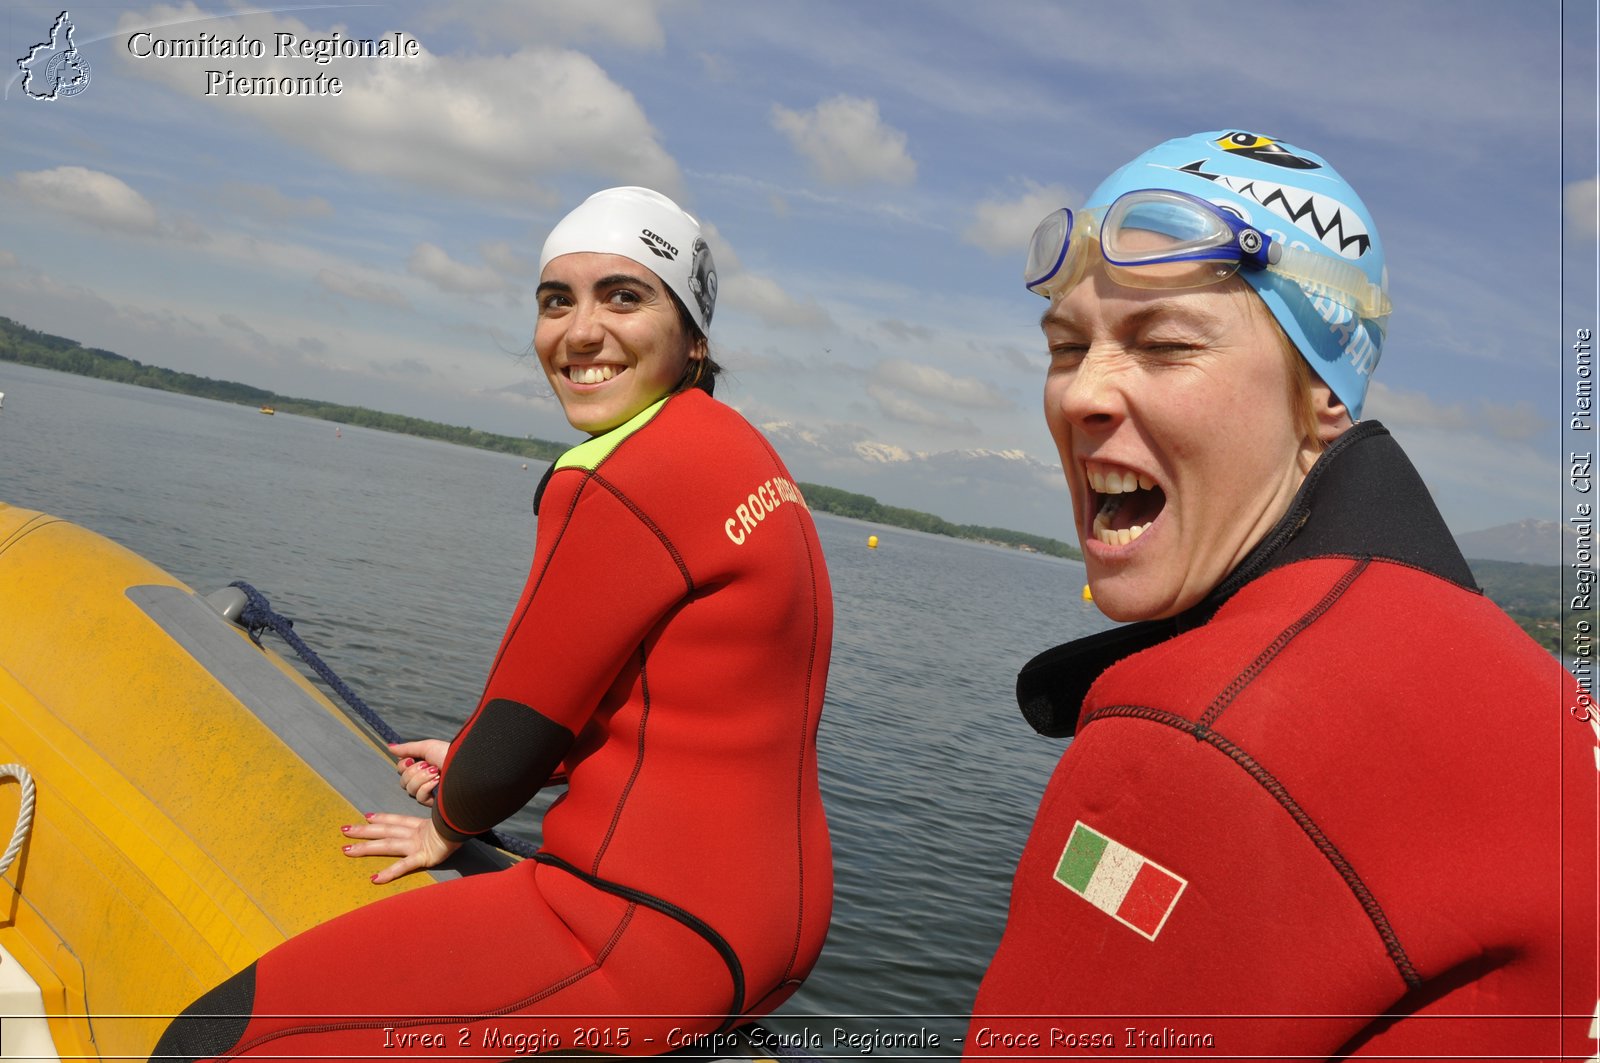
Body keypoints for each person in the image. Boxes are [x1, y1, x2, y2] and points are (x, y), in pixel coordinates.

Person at [152, 187, 835, 1060]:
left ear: (693, 335)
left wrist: (450, 817)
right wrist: (477, 749)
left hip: (640, 927)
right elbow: (674, 696)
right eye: (558, 300)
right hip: (774, 921)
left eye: (623, 296)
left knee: (212, 1035)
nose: (580, 331)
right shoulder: (741, 452)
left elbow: (520, 725)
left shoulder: (620, 475)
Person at [964, 131, 1598, 1057]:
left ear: (1322, 394)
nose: (1079, 397)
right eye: (1066, 347)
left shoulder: (1202, 741)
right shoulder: (1524, 689)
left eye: (1166, 342)